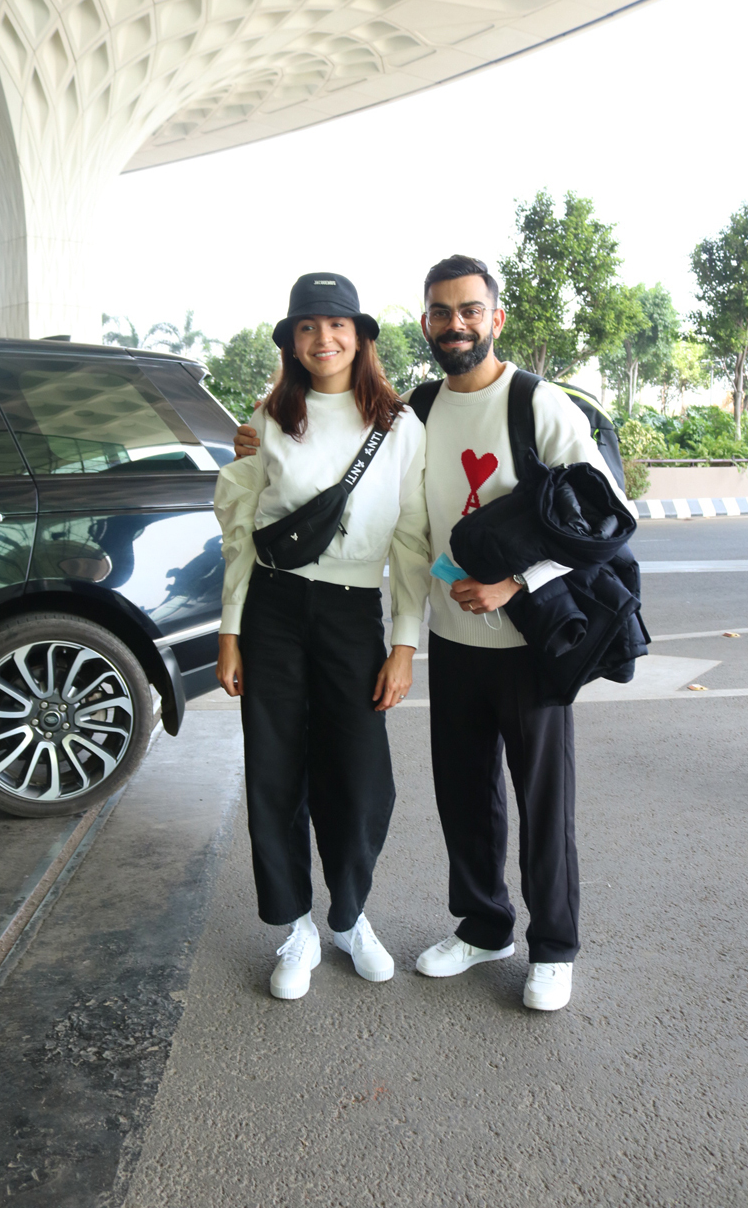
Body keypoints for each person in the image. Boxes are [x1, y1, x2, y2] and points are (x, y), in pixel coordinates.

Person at [235, 255, 630, 1013]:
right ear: (425, 324)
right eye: (442, 313)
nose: (457, 325)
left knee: (543, 800)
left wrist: (520, 582)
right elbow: (338, 454)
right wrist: (256, 440)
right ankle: (484, 925)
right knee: (464, 793)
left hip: (531, 641)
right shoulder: (415, 409)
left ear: (496, 318)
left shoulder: (538, 404)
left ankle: (554, 946)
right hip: (452, 639)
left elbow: (610, 514)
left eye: (470, 310)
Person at [215, 271, 429, 1001]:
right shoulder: (271, 415)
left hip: (350, 613)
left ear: (361, 336)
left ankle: (349, 914)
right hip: (273, 607)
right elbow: (241, 532)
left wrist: (403, 643)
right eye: (306, 326)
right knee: (275, 771)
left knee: (362, 777)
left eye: (336, 324)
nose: (322, 338)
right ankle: (295, 926)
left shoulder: (401, 426)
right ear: (292, 339)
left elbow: (410, 540)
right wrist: (230, 630)